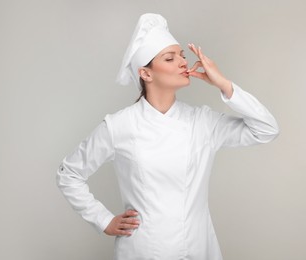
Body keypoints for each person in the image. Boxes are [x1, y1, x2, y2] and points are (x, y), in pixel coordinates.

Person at [57, 13, 279, 260]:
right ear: (146, 73)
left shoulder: (202, 122)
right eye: (170, 58)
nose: (183, 62)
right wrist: (104, 220)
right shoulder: (120, 125)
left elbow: (266, 129)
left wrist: (224, 84)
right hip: (144, 251)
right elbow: (70, 175)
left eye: (182, 56)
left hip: (199, 248)